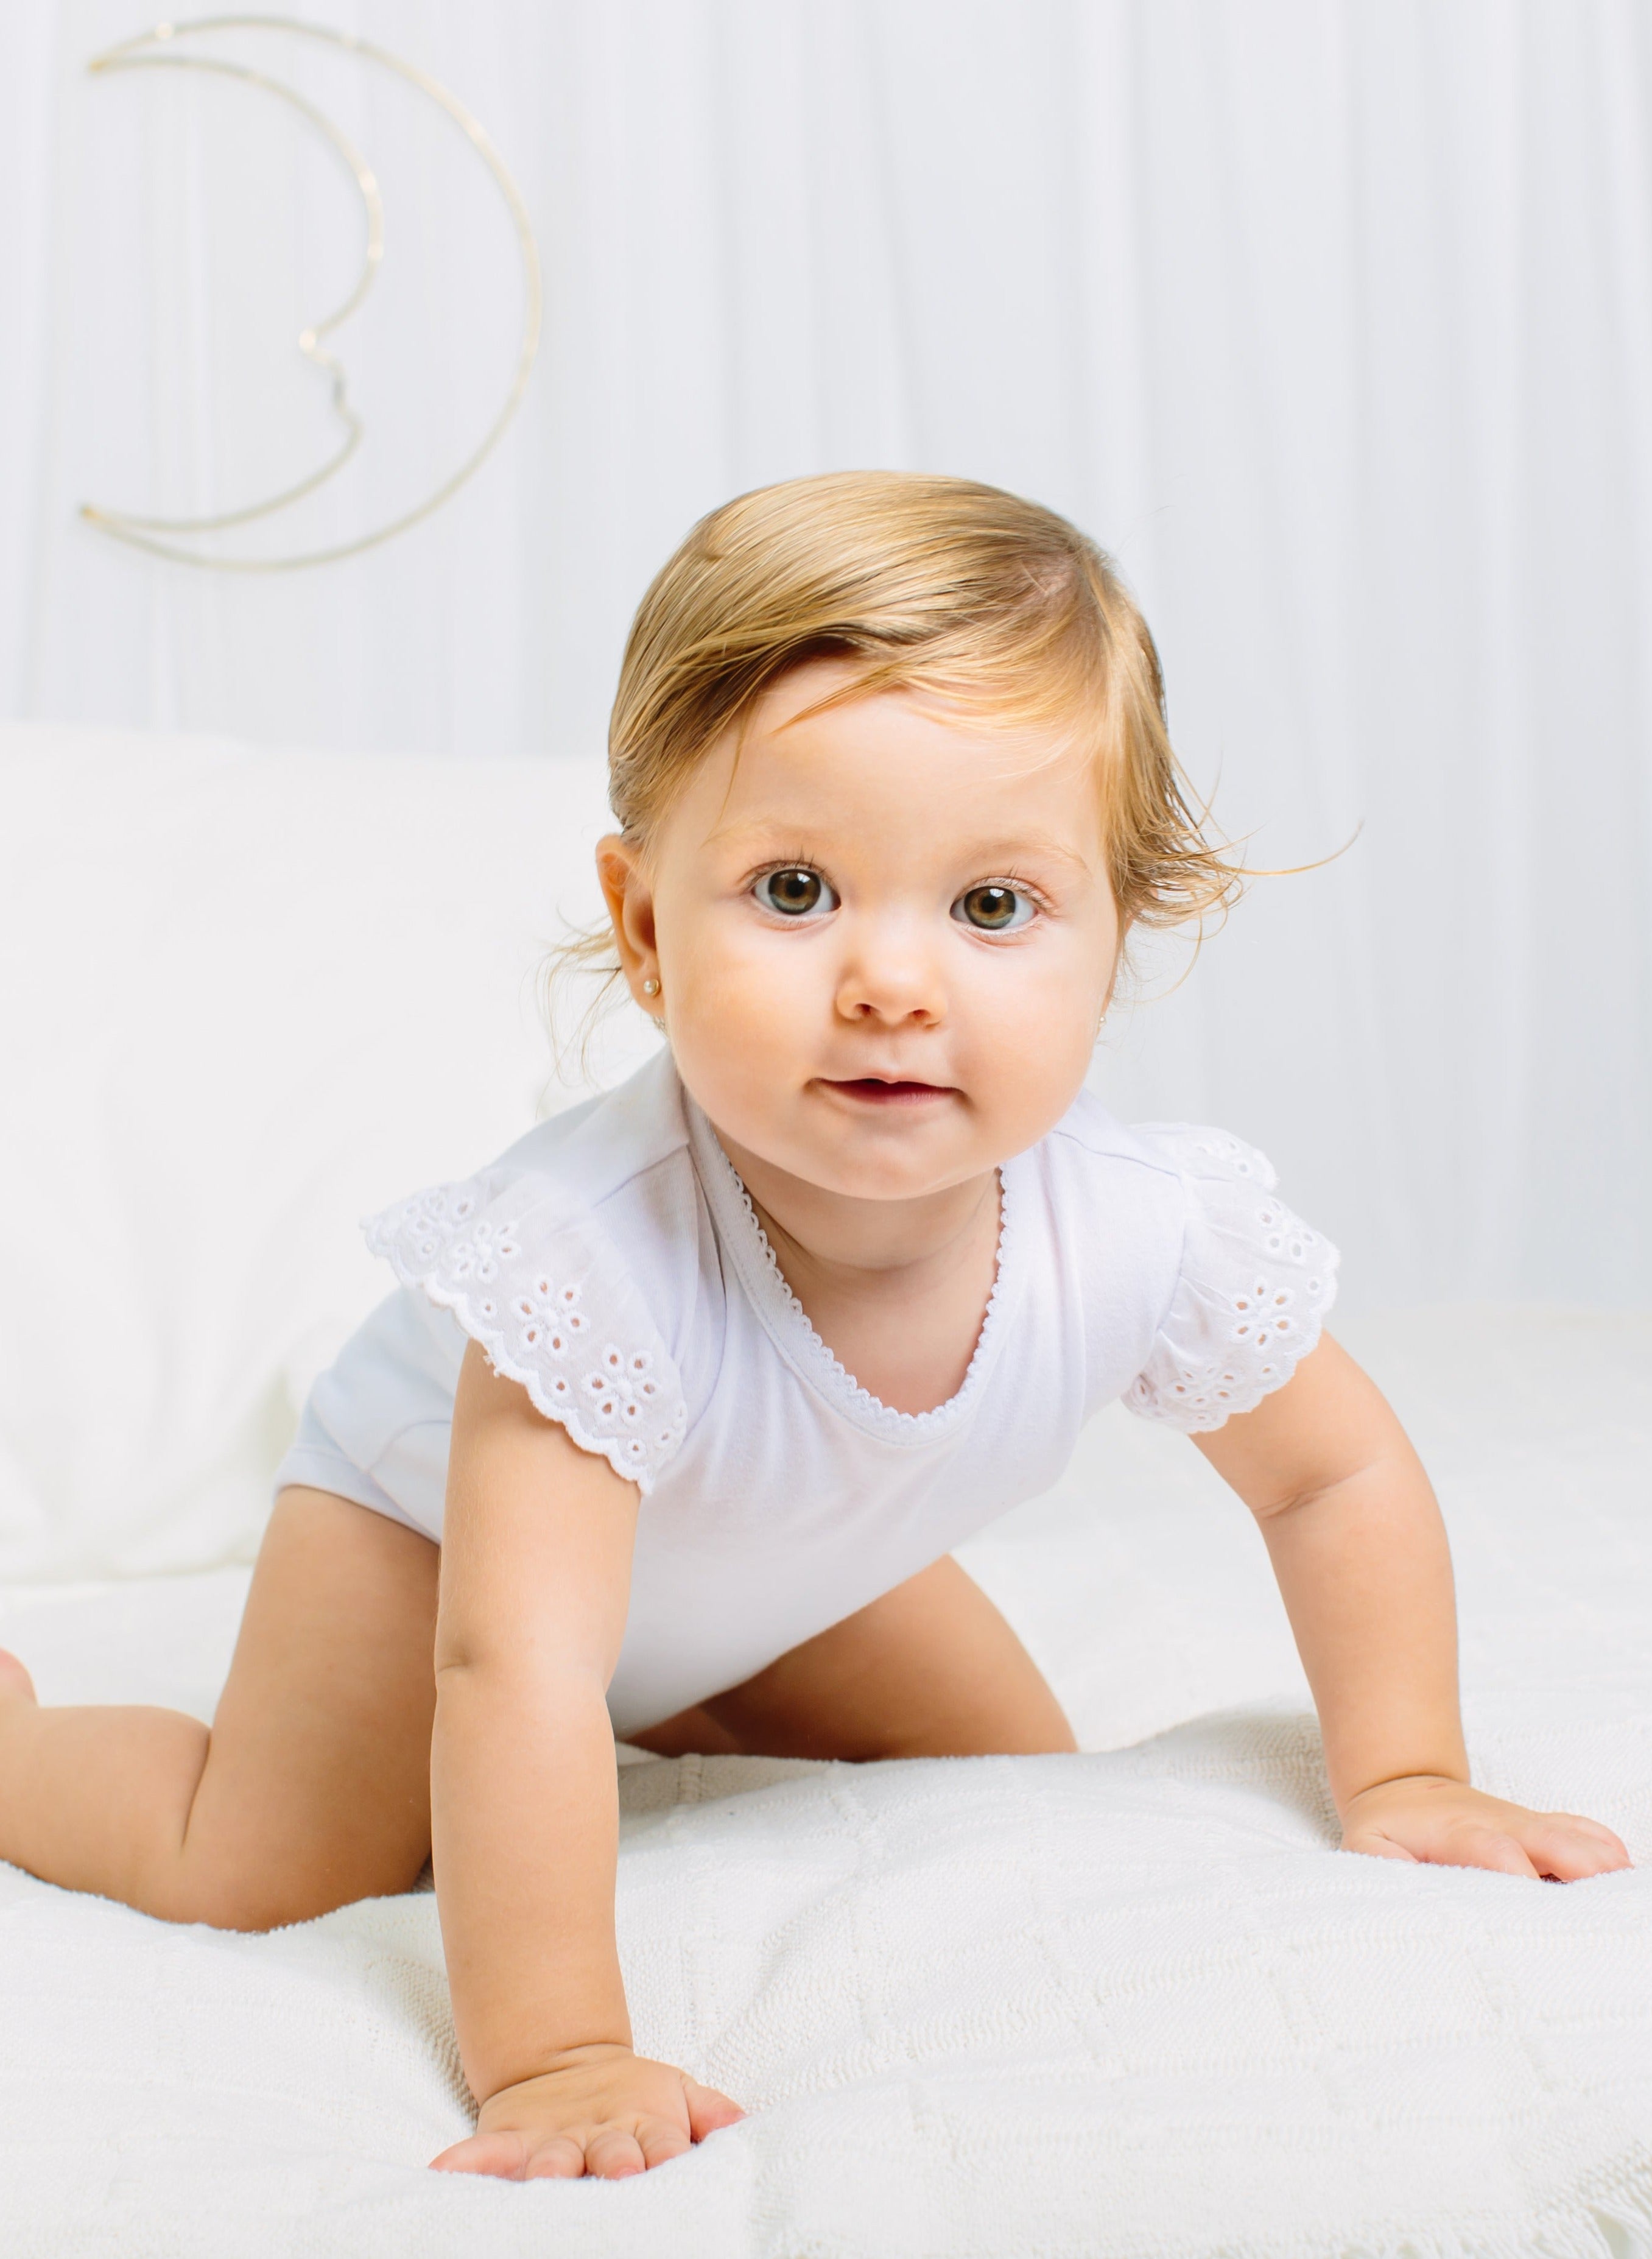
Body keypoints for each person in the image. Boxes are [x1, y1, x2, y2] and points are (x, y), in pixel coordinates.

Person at [0, 473, 1628, 2181]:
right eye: (794, 890)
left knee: (1006, 1773)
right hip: (432, 1557)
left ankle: (676, 1705)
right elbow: (515, 1667)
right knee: (261, 1866)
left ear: (1112, 938)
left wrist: (1410, 1772)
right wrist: (559, 2054)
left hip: (771, 1555)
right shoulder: (593, 1265)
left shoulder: (1140, 1226)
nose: (891, 985)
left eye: (990, 907)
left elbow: (1329, 1479)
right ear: (645, 929)